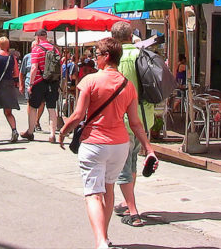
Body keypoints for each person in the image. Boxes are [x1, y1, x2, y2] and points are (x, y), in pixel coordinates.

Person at [58, 38, 158, 249]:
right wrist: (149, 148)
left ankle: (101, 241)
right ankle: (104, 235)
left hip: (94, 143)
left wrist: (63, 131)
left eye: (97, 55)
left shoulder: (90, 81)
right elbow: (135, 123)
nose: (95, 59)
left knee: (93, 194)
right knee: (109, 189)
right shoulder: (128, 85)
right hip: (120, 145)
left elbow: (77, 115)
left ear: (106, 57)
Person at [110, 21, 155, 228]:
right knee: (133, 161)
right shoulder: (142, 54)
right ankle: (129, 202)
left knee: (121, 165)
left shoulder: (117, 59)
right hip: (145, 117)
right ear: (131, 36)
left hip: (124, 118)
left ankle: (132, 208)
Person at [22, 29, 61, 142]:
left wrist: (30, 84)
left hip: (39, 82)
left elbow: (34, 68)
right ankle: (52, 134)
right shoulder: (55, 49)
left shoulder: (36, 49)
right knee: (51, 108)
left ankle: (30, 131)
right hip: (53, 82)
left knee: (33, 107)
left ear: (37, 37)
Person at [0, 36, 23, 143]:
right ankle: (14, 130)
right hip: (8, 85)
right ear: (8, 45)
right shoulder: (12, 58)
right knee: (8, 112)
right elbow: (16, 73)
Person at [20, 49, 44, 131]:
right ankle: (31, 123)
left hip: (41, 82)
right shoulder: (27, 57)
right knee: (30, 103)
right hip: (28, 82)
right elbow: (22, 72)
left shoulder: (43, 56)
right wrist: (21, 85)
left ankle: (37, 121)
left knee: (42, 103)